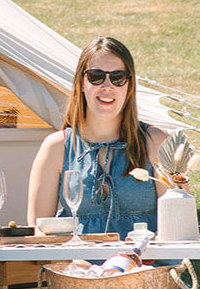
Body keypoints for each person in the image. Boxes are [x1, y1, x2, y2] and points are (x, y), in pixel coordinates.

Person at [27, 36, 168, 238]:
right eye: (96, 76)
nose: (107, 86)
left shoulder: (156, 142)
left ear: (129, 86)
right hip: (76, 266)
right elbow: (37, 231)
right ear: (81, 83)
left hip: (143, 264)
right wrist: (76, 264)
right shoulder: (56, 147)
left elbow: (178, 227)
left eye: (118, 77)